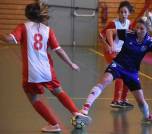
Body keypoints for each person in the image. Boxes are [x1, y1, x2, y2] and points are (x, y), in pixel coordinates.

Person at [0, 2, 91, 132]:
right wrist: (71, 63)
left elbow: (9, 39)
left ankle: (54, 124)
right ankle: (77, 113)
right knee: (59, 91)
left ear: (28, 14)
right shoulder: (48, 30)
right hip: (48, 70)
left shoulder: (23, 27)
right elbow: (58, 50)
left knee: (33, 98)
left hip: (33, 72)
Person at [81, 19, 152, 124]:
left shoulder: (150, 42)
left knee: (140, 99)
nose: (138, 30)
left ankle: (147, 117)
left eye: (142, 29)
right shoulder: (129, 33)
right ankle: (85, 109)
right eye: (137, 28)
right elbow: (109, 32)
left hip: (132, 72)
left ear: (147, 30)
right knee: (105, 80)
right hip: (118, 65)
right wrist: (111, 45)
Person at [99, 1, 134, 108]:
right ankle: (115, 100)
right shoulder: (113, 23)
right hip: (111, 52)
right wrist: (108, 45)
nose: (123, 14)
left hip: (122, 52)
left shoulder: (129, 23)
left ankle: (123, 99)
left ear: (129, 13)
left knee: (129, 74)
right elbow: (101, 35)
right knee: (119, 73)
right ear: (118, 12)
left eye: (125, 12)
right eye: (121, 12)